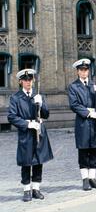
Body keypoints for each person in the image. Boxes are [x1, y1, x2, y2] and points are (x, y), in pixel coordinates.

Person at [8, 69, 54, 202]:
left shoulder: (38, 95)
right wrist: (27, 124)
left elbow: (46, 114)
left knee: (39, 161)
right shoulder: (16, 97)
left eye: (30, 80)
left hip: (39, 131)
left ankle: (36, 188)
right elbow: (12, 116)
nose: (28, 82)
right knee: (26, 161)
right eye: (25, 80)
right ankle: (27, 190)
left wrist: (41, 104)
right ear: (20, 81)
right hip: (26, 133)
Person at [68, 58, 96, 191]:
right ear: (78, 72)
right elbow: (74, 105)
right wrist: (89, 113)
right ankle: (85, 180)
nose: (84, 72)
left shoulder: (93, 85)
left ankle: (92, 178)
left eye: (86, 70)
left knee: (95, 150)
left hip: (95, 123)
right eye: (81, 70)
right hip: (83, 122)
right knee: (84, 151)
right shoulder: (73, 87)